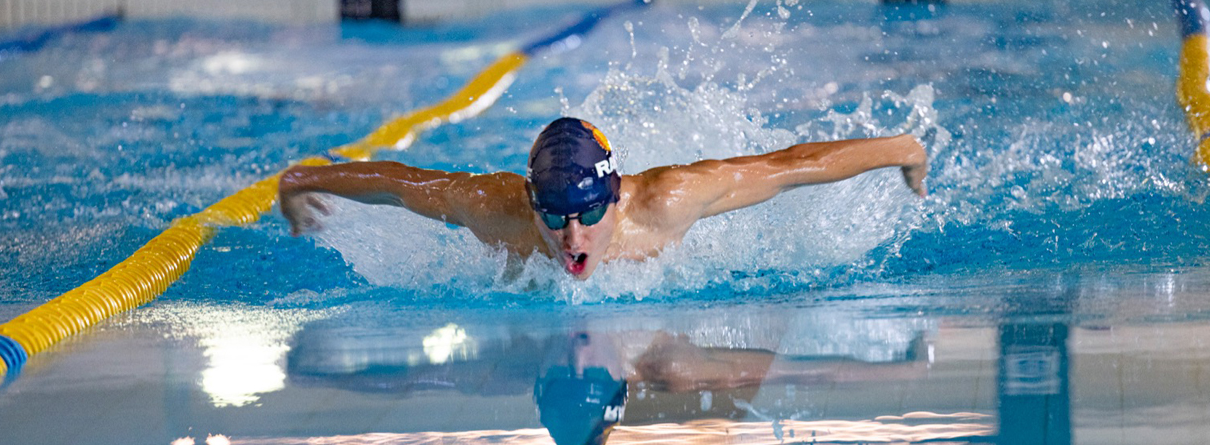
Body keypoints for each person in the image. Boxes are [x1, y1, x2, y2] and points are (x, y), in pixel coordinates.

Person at [278, 117, 928, 279]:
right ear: (529, 200)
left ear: (615, 199)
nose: (571, 236)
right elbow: (397, 181)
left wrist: (901, 148)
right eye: (554, 216)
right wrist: (301, 180)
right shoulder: (494, 207)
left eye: (589, 214)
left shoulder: (668, 200)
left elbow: (793, 166)